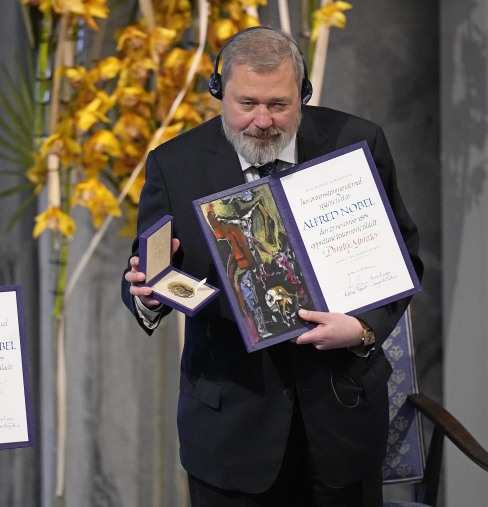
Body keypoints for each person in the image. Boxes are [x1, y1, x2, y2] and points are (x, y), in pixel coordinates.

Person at [121, 27, 424, 507]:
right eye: (246, 104)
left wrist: (364, 328)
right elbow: (146, 269)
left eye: (279, 105)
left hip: (340, 424)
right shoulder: (173, 164)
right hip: (229, 433)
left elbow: (403, 256)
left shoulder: (358, 142)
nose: (261, 121)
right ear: (219, 92)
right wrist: (147, 293)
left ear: (302, 95)